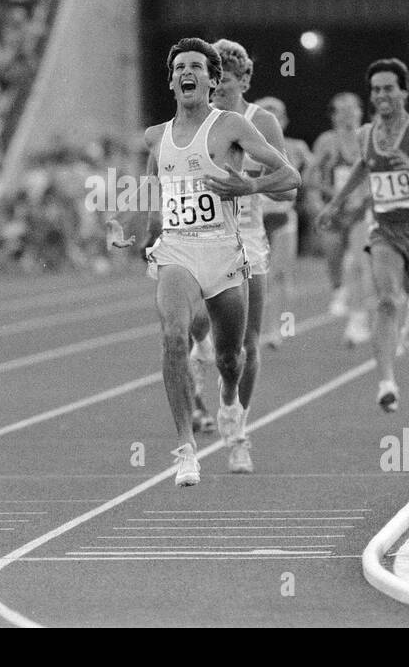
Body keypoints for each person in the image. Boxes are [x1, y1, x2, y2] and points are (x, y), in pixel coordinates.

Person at [107, 38, 299, 486]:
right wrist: (125, 226)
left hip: (228, 250)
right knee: (173, 336)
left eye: (196, 66)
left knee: (233, 357)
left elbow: (290, 178)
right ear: (172, 80)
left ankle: (231, 405)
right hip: (176, 250)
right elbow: (152, 194)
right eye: (179, 67)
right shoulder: (156, 136)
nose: (185, 73)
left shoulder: (233, 125)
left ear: (211, 82)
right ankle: (187, 449)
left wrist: (247, 188)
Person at [180, 38, 295, 474]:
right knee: (192, 319)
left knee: (243, 346)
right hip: (196, 235)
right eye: (214, 84)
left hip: (246, 239)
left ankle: (238, 428)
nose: (218, 93)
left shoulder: (259, 121)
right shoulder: (193, 119)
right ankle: (201, 340)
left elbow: (287, 183)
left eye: (226, 85)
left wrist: (250, 185)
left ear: (244, 81)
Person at [319, 58, 409, 413]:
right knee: (386, 300)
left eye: (388, 88)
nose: (381, 95)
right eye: (376, 89)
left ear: (403, 91)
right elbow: (361, 167)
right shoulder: (366, 134)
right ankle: (386, 382)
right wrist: (335, 204)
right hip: (384, 231)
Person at [308, 92, 374, 345]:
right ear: (334, 115)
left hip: (360, 210)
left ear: (360, 112)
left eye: (352, 109)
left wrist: (365, 196)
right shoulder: (327, 142)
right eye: (342, 110)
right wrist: (319, 201)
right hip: (334, 208)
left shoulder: (367, 138)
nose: (348, 114)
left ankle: (358, 320)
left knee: (360, 264)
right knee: (334, 255)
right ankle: (338, 289)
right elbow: (312, 177)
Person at [253, 96, 312, 350]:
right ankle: (250, 330)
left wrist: (309, 190)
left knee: (279, 275)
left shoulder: (296, 147)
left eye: (277, 114)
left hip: (283, 216)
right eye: (266, 114)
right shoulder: (245, 146)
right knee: (251, 279)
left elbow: (316, 167)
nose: (272, 119)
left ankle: (276, 329)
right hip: (252, 218)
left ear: (285, 120)